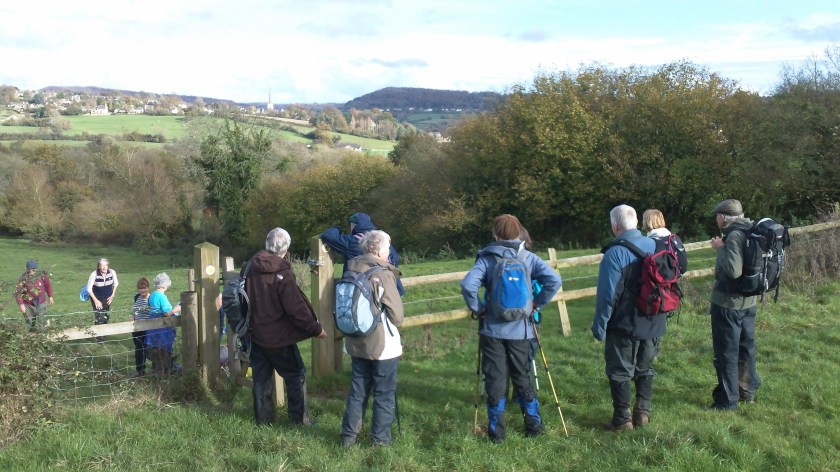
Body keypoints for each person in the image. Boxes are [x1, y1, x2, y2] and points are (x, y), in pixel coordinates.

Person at [461, 214, 562, 442]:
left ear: (495, 234)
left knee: (495, 380)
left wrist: (479, 308)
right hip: (522, 330)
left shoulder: (487, 258)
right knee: (522, 376)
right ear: (518, 233)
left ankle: (497, 434)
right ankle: (534, 427)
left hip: (492, 331)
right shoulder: (528, 257)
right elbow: (554, 281)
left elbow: (468, 286)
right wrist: (536, 303)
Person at [592, 204, 663, 431]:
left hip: (624, 322)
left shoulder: (615, 253)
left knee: (619, 370)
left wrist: (600, 326)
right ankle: (643, 412)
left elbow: (607, 295)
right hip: (654, 319)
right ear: (636, 223)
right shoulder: (656, 246)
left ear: (615, 226)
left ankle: (623, 419)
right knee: (645, 367)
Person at [246, 227, 326, 426]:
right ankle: (299, 419)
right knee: (295, 374)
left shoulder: (249, 268)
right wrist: (316, 329)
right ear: (286, 249)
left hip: (255, 333)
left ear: (267, 244)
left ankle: (263, 421)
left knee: (261, 379)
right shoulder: (283, 273)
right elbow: (296, 309)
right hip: (279, 337)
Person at [340, 230, 404, 448]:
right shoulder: (383, 274)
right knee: (384, 393)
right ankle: (380, 440)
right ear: (378, 249)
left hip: (356, 342)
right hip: (382, 346)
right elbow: (397, 316)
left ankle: (348, 438)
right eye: (387, 247)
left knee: (357, 392)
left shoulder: (351, 268)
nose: (388, 251)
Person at [708, 199, 760, 410]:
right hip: (749, 302)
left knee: (726, 352)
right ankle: (747, 391)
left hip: (729, 304)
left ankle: (727, 401)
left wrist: (721, 248)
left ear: (723, 217)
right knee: (746, 348)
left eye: (717, 217)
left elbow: (733, 270)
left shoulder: (734, 235)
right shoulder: (751, 230)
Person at [321, 212, 405, 296]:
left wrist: (338, 228)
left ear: (354, 225)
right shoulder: (381, 238)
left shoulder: (352, 241)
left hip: (362, 289)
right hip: (389, 286)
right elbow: (395, 258)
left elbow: (327, 235)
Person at [146, 273, 180, 375]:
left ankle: (156, 369)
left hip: (153, 325)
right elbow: (167, 313)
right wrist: (177, 309)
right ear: (164, 285)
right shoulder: (162, 296)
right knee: (164, 347)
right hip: (163, 327)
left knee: (155, 347)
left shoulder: (151, 296)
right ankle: (167, 370)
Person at [642, 209, 688, 274]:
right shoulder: (673, 237)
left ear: (647, 222)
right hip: (674, 276)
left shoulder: (649, 242)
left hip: (657, 280)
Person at [14, 260, 54, 330]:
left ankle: (43, 334)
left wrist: (50, 296)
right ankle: (30, 336)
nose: (33, 271)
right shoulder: (23, 278)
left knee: (43, 321)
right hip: (28, 303)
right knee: (30, 323)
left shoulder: (42, 276)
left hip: (41, 302)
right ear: (27, 269)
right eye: (31, 270)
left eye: (34, 270)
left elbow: (48, 286)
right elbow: (18, 292)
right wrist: (21, 304)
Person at [87, 258, 119, 341]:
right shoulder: (94, 274)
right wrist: (96, 300)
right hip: (96, 298)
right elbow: (89, 289)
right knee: (99, 316)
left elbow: (116, 284)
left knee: (106, 315)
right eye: (101, 265)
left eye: (105, 265)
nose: (104, 267)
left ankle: (103, 333)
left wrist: (112, 296)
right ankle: (99, 337)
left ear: (108, 266)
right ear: (98, 266)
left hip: (107, 298)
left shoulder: (112, 272)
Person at [131, 277, 152, 377]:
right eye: (140, 288)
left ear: (148, 288)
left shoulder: (151, 298)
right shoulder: (136, 297)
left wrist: (141, 309)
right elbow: (134, 310)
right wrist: (132, 316)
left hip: (146, 327)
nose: (143, 290)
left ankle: (140, 371)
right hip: (136, 327)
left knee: (140, 349)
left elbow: (153, 309)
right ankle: (142, 369)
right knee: (139, 347)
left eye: (145, 288)